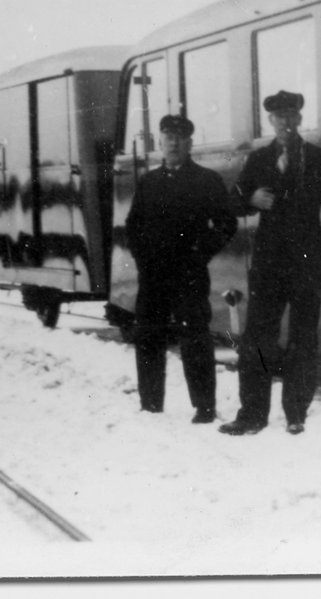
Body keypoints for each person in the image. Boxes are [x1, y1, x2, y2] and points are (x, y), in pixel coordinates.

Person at [219, 91, 321, 436]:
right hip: (269, 263)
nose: (286, 123)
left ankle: (296, 413)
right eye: (279, 117)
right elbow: (232, 203)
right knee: (257, 338)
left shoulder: (318, 159)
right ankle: (252, 415)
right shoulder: (259, 159)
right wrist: (251, 199)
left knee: (303, 339)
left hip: (308, 261)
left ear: (299, 119)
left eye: (291, 116)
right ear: (271, 121)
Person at [124, 114, 237, 423]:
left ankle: (204, 407)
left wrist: (200, 253)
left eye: (179, 138)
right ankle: (150, 405)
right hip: (153, 274)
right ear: (160, 142)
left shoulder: (206, 180)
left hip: (189, 273)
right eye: (168, 137)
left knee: (195, 338)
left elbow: (226, 224)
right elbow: (133, 226)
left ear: (189, 143)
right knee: (149, 336)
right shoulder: (149, 182)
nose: (173, 143)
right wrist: (142, 259)